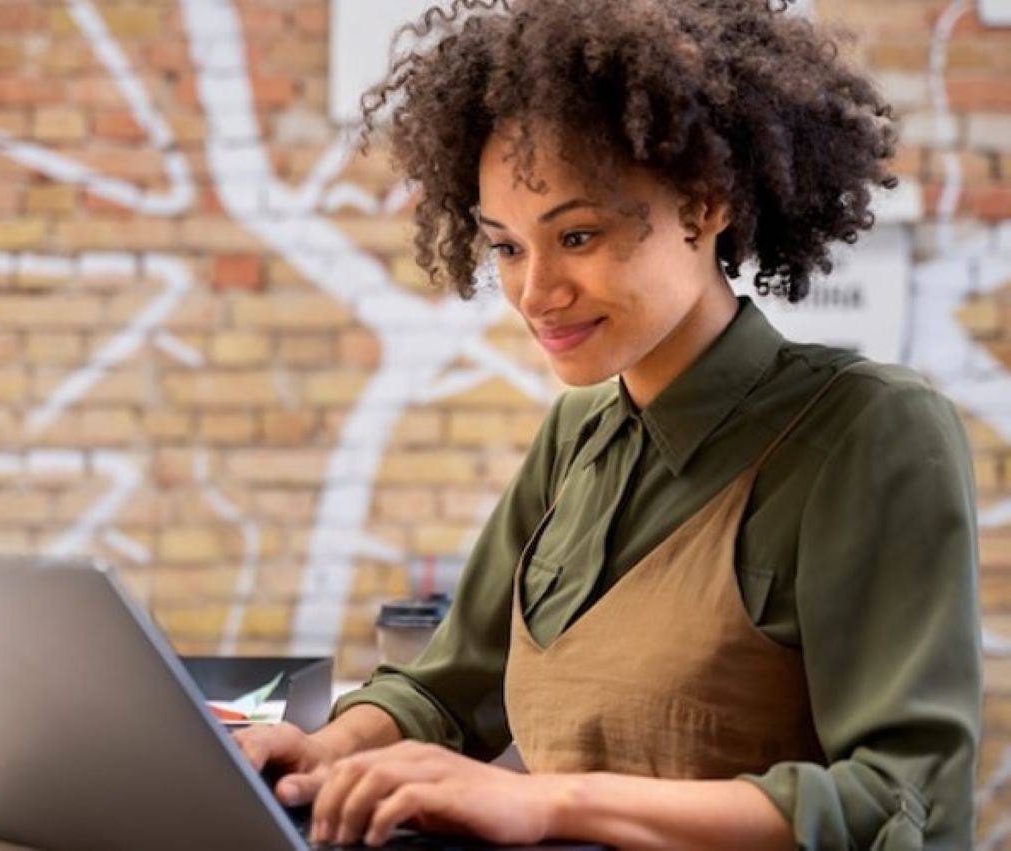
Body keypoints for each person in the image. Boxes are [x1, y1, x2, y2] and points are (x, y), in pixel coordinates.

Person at [236, 0, 982, 847]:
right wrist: (321, 751)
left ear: (704, 209)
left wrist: (552, 801)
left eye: (578, 235)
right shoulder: (576, 435)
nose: (533, 291)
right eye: (509, 247)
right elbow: (447, 689)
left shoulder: (869, 431)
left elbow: (901, 801)